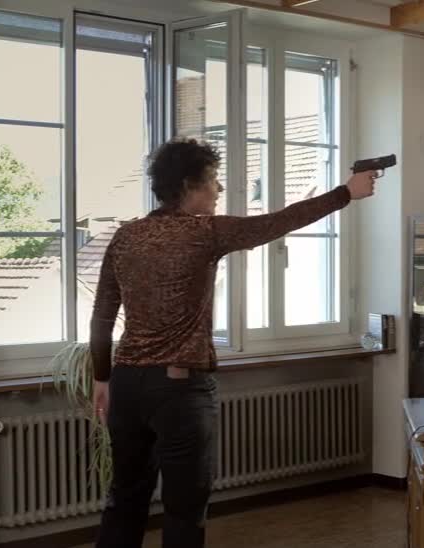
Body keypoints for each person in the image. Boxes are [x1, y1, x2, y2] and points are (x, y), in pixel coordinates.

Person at [89, 137, 376, 548]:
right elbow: (278, 222)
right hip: (179, 390)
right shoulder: (205, 232)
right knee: (185, 509)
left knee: (125, 500)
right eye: (213, 180)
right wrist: (346, 192)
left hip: (127, 384)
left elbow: (102, 316)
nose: (219, 189)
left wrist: (102, 378)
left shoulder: (125, 236)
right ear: (189, 186)